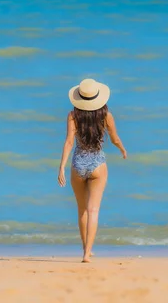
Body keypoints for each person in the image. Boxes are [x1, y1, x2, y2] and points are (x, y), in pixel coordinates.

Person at [57, 78, 127, 263]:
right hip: (98, 164)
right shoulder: (106, 115)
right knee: (93, 210)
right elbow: (114, 138)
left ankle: (84, 249)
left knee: (82, 210)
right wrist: (122, 149)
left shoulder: (73, 116)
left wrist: (62, 167)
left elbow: (69, 142)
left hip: (78, 164)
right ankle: (88, 253)